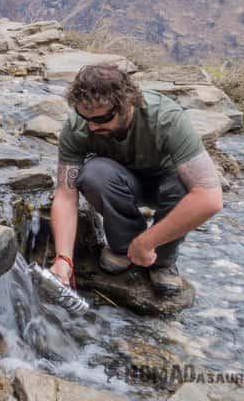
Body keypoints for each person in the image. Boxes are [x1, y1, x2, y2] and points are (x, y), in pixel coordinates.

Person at [48, 64, 223, 295]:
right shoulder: (79, 127)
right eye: (84, 116)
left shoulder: (166, 118)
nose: (92, 125)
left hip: (167, 185)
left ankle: (163, 260)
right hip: (120, 182)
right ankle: (123, 248)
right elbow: (65, 195)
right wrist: (64, 258)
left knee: (183, 187)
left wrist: (148, 241)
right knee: (93, 174)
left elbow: (210, 199)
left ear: (128, 103)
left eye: (102, 118)